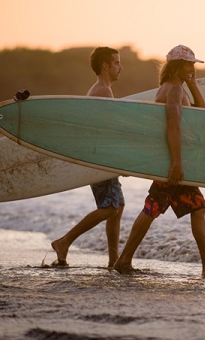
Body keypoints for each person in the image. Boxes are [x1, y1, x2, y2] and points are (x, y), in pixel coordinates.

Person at [114, 45, 205, 276]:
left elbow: (202, 116)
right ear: (178, 66)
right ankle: (124, 260)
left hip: (172, 160)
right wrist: (176, 164)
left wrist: (193, 84)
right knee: (155, 208)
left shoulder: (173, 88)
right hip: (172, 162)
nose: (192, 68)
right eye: (189, 64)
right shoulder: (174, 91)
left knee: (191, 207)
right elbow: (173, 126)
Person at [50, 47, 125, 267]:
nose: (121, 67)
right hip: (99, 158)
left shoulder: (100, 89)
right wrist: (118, 161)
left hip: (99, 156)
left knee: (117, 207)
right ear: (105, 66)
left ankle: (114, 261)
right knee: (110, 207)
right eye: (117, 63)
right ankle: (64, 241)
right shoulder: (102, 91)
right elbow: (105, 132)